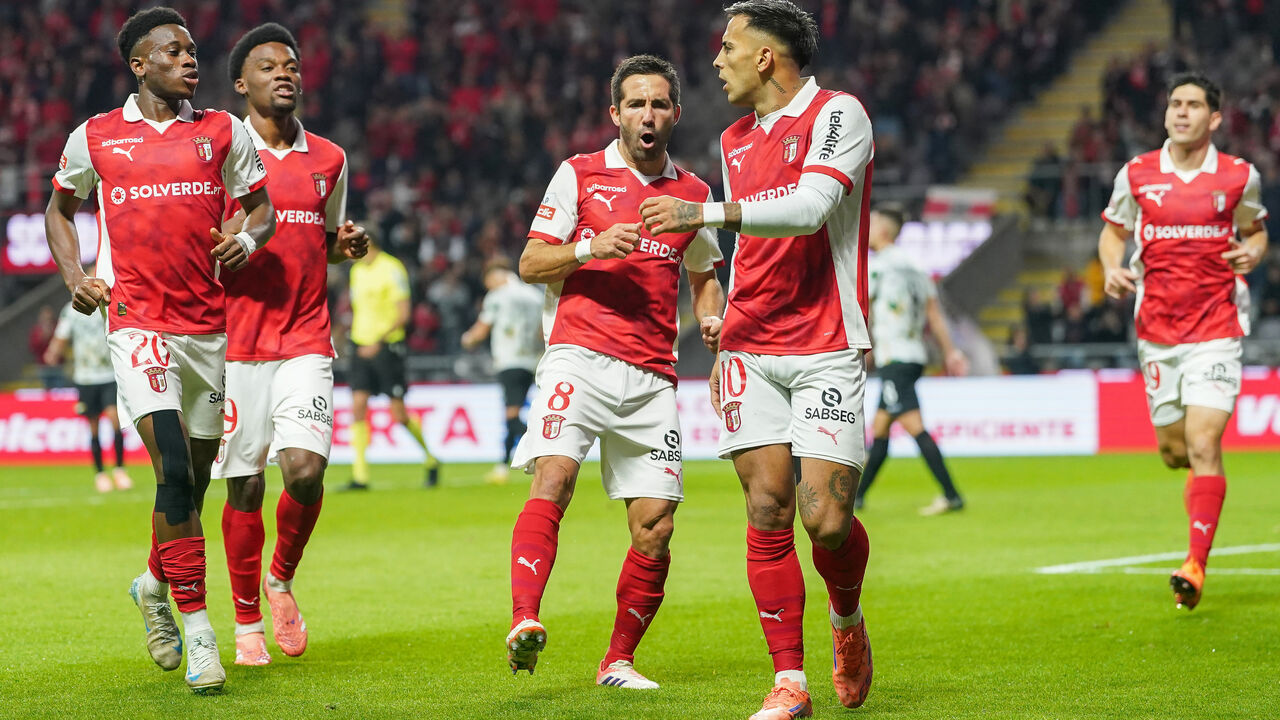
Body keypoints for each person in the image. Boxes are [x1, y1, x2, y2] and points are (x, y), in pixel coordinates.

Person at [640, 1, 874, 716]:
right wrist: (725, 320)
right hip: (750, 344)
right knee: (767, 508)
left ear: (767, 56)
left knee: (825, 520)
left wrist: (702, 213)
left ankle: (846, 619)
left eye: (728, 46)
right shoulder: (733, 138)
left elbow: (806, 211)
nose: (717, 60)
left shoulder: (839, 114)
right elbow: (756, 250)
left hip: (826, 343)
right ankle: (789, 681)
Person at [44, 6, 274, 694]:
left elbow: (258, 206)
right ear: (139, 64)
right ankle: (200, 632)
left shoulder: (223, 131)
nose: (189, 60)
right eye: (173, 52)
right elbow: (60, 208)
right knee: (172, 466)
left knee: (193, 483)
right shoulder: (96, 137)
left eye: (192, 51)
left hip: (207, 328)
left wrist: (251, 239)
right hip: (136, 322)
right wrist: (76, 277)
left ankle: (152, 583)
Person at [505, 54, 724, 691]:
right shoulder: (580, 174)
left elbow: (705, 278)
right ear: (616, 114)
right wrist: (587, 247)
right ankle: (525, 619)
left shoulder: (695, 196)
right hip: (581, 355)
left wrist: (711, 320)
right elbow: (529, 262)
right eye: (635, 104)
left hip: (654, 375)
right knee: (555, 476)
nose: (647, 115)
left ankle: (617, 662)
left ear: (676, 114)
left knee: (655, 525)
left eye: (659, 104)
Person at [212, 22, 368, 668]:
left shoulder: (329, 159)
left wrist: (346, 246)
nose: (286, 74)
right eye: (269, 66)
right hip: (236, 343)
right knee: (243, 487)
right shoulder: (218, 151)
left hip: (306, 337)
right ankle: (245, 619)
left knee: (304, 470)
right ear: (241, 83)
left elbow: (324, 238)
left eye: (293, 66)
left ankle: (279, 580)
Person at [1099, 71, 1268, 611]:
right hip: (1157, 330)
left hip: (1216, 328)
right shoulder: (1138, 173)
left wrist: (1255, 251)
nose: (1182, 112)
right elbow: (1113, 232)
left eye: (1194, 105)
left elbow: (1257, 228)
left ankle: (1195, 562)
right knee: (1175, 453)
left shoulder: (1240, 176)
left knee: (1203, 444)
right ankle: (1196, 511)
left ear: (1214, 118)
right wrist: (1109, 267)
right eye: (1176, 103)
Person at [855, 205, 968, 515]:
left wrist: (859, 351)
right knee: (880, 428)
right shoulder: (917, 267)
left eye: (872, 221)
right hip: (914, 355)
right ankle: (858, 497)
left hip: (896, 357)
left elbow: (863, 311)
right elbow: (934, 314)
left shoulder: (879, 267)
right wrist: (950, 351)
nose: (868, 227)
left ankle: (952, 494)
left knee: (913, 426)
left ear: (883, 231)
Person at [346, 236, 439, 489]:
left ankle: (431, 459)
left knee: (399, 414)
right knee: (357, 406)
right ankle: (360, 476)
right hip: (360, 344)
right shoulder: (356, 271)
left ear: (369, 242)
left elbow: (403, 313)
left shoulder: (392, 267)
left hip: (387, 347)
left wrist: (379, 341)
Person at [44, 281, 134, 493]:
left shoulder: (110, 304)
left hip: (108, 374)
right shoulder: (71, 310)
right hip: (85, 377)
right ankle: (101, 473)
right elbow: (61, 336)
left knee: (114, 418)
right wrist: (53, 351)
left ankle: (120, 470)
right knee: (93, 425)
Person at [460, 257, 544, 484]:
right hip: (532, 362)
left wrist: (467, 339)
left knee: (512, 416)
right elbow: (542, 331)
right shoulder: (536, 296)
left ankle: (546, 448)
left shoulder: (498, 297)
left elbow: (481, 330)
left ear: (494, 277)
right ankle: (501, 466)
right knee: (512, 415)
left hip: (509, 361)